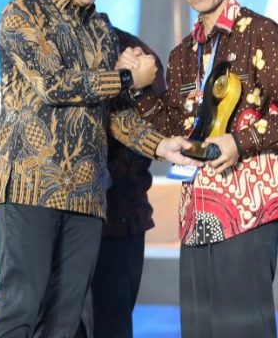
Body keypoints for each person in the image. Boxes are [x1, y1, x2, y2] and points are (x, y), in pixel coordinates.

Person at [0, 0, 200, 338]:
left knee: (65, 319)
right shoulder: (22, 13)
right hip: (30, 185)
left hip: (87, 193)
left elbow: (113, 114)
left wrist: (160, 145)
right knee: (21, 307)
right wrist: (126, 77)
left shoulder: (100, 28)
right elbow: (53, 84)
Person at [130, 0, 278, 338]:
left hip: (247, 213)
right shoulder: (182, 54)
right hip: (196, 215)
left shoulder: (259, 33)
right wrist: (143, 91)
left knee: (243, 330)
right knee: (199, 330)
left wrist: (240, 141)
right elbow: (175, 133)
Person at [83, 26, 166, 338]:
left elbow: (153, 126)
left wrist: (108, 173)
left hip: (118, 218)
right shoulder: (48, 49)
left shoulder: (132, 51)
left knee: (110, 325)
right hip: (58, 219)